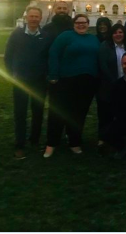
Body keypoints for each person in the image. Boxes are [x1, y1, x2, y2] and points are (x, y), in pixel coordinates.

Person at [44, 13, 100, 157]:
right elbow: (54, 53)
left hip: (88, 82)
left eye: (84, 22)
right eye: (78, 22)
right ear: (73, 24)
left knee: (79, 114)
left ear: (88, 24)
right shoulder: (66, 36)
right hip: (66, 80)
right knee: (58, 112)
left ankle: (74, 142)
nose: (81, 25)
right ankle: (51, 143)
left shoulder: (93, 39)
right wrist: (53, 75)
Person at [4, 6, 50, 160]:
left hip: (39, 81)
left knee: (38, 113)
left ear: (40, 18)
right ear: (26, 18)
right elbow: (8, 56)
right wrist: (12, 74)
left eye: (37, 16)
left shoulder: (45, 35)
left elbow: (49, 57)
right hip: (21, 81)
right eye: (31, 16)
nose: (34, 19)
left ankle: (34, 142)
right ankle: (20, 145)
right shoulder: (17, 34)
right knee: (20, 114)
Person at [97, 23, 125, 143]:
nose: (118, 35)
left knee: (122, 113)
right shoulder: (105, 46)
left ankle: (120, 138)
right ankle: (103, 139)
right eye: (115, 32)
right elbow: (103, 66)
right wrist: (114, 82)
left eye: (120, 32)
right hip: (109, 85)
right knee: (106, 114)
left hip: (125, 85)